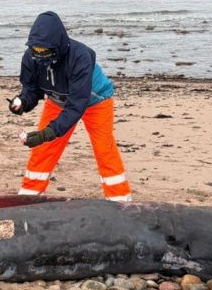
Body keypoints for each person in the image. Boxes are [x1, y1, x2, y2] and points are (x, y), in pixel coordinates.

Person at [8, 11, 132, 201]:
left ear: (57, 45)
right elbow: (32, 89)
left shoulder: (80, 57)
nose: (40, 55)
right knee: (43, 149)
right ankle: (29, 195)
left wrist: (48, 132)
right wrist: (23, 102)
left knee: (103, 148)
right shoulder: (30, 56)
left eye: (45, 51)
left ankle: (120, 199)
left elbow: (76, 105)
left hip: (95, 101)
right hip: (57, 99)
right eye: (36, 50)